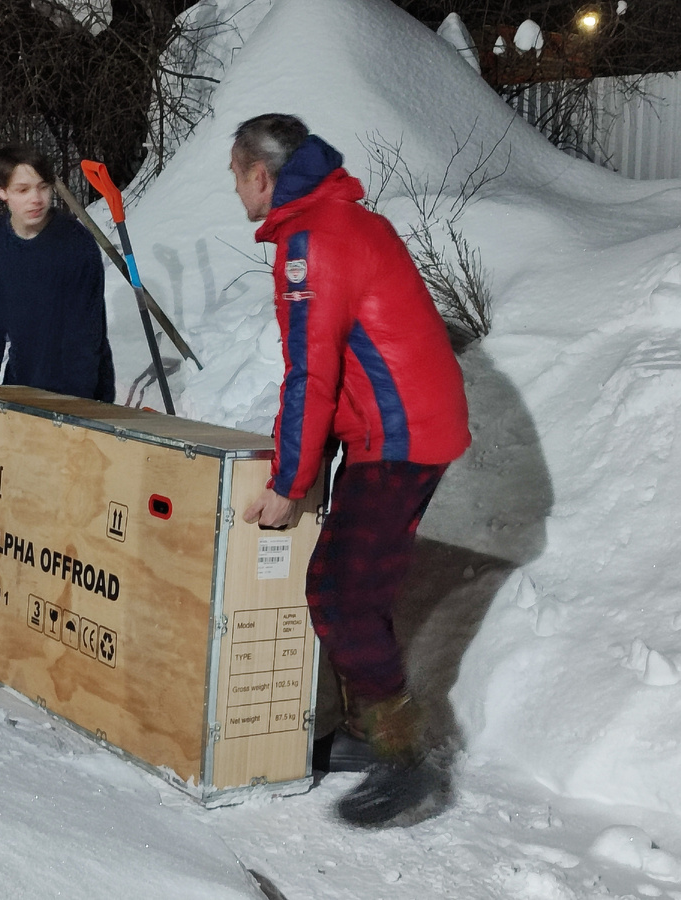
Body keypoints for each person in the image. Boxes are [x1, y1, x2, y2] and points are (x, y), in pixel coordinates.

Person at [231, 114, 471, 826]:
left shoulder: (310, 242)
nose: (236, 189)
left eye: (237, 175)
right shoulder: (345, 219)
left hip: (397, 436)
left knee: (338, 594)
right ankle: (369, 733)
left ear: (261, 175)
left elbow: (313, 371)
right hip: (406, 427)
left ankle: (405, 758)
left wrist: (288, 484)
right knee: (358, 588)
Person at [0, 145, 115, 402]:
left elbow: (85, 337)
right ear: (2, 192)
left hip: (80, 389)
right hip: (22, 383)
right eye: (23, 190)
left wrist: (78, 406)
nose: (36, 198)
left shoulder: (75, 244)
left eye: (43, 187)